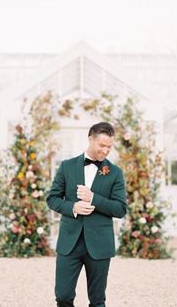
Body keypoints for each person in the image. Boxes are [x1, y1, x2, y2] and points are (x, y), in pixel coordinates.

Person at [46, 121, 127, 307]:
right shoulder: (66, 166)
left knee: (98, 301)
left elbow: (120, 209)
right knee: (63, 296)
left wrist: (93, 199)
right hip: (69, 243)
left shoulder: (115, 173)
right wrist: (73, 207)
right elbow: (52, 199)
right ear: (90, 139)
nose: (106, 150)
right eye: (102, 145)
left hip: (100, 245)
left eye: (109, 147)